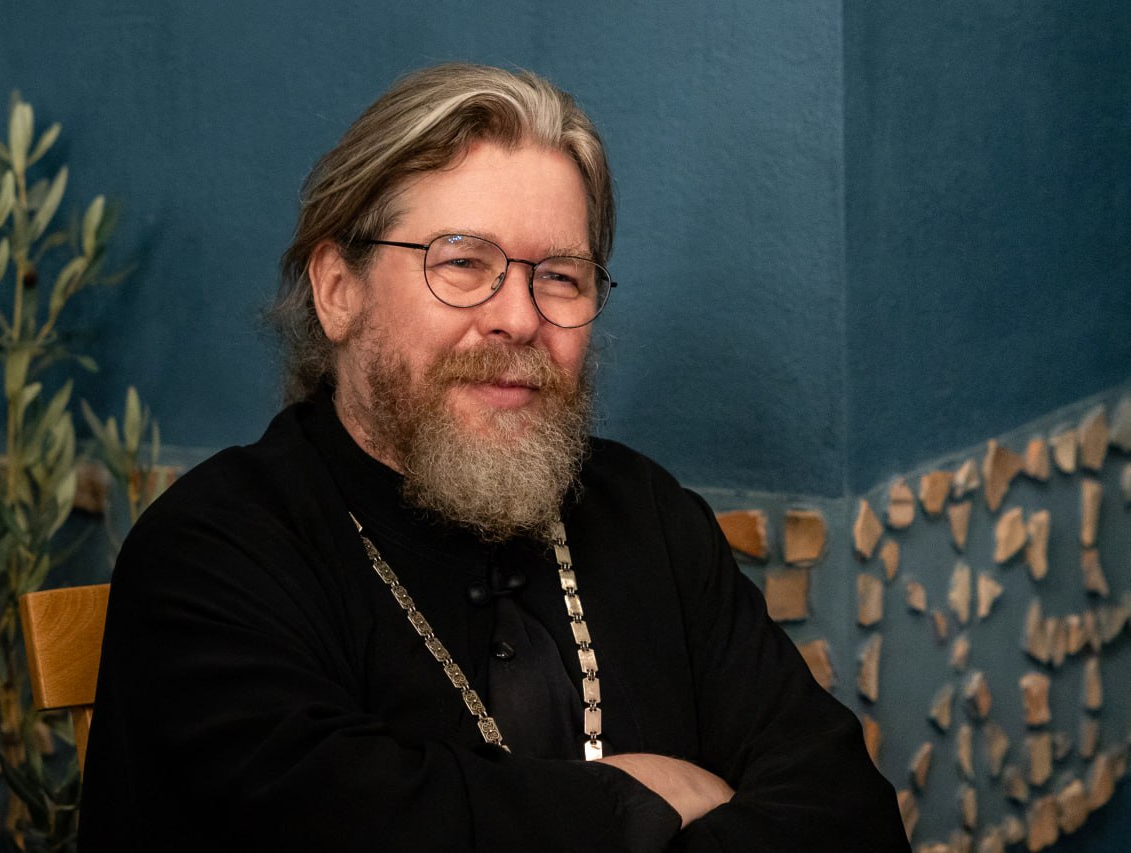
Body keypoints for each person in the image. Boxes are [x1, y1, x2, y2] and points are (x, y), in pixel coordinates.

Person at [79, 63, 908, 851]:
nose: (518, 317)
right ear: (339, 290)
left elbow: (845, 811)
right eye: (463, 263)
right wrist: (638, 801)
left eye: (561, 277)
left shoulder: (646, 513)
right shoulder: (211, 553)